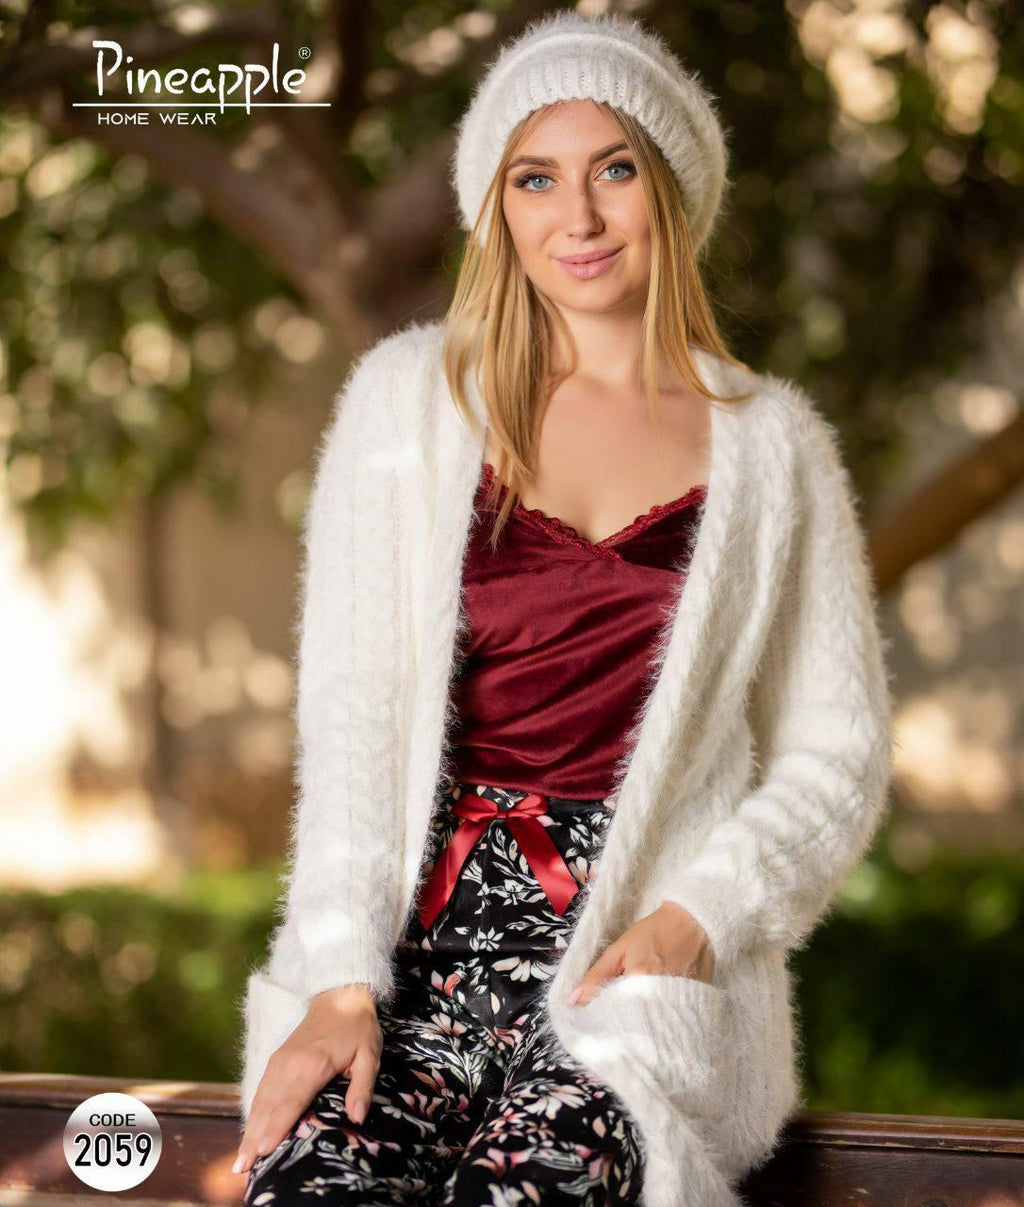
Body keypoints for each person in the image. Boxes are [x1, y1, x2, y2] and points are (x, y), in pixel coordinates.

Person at [233, 12, 894, 1207]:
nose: (576, 218)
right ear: (497, 207)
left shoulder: (774, 448)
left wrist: (703, 916)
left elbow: (835, 752)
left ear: (671, 188)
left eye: (614, 170)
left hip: (625, 986)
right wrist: (337, 977)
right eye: (535, 178)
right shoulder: (405, 402)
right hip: (406, 971)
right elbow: (352, 718)